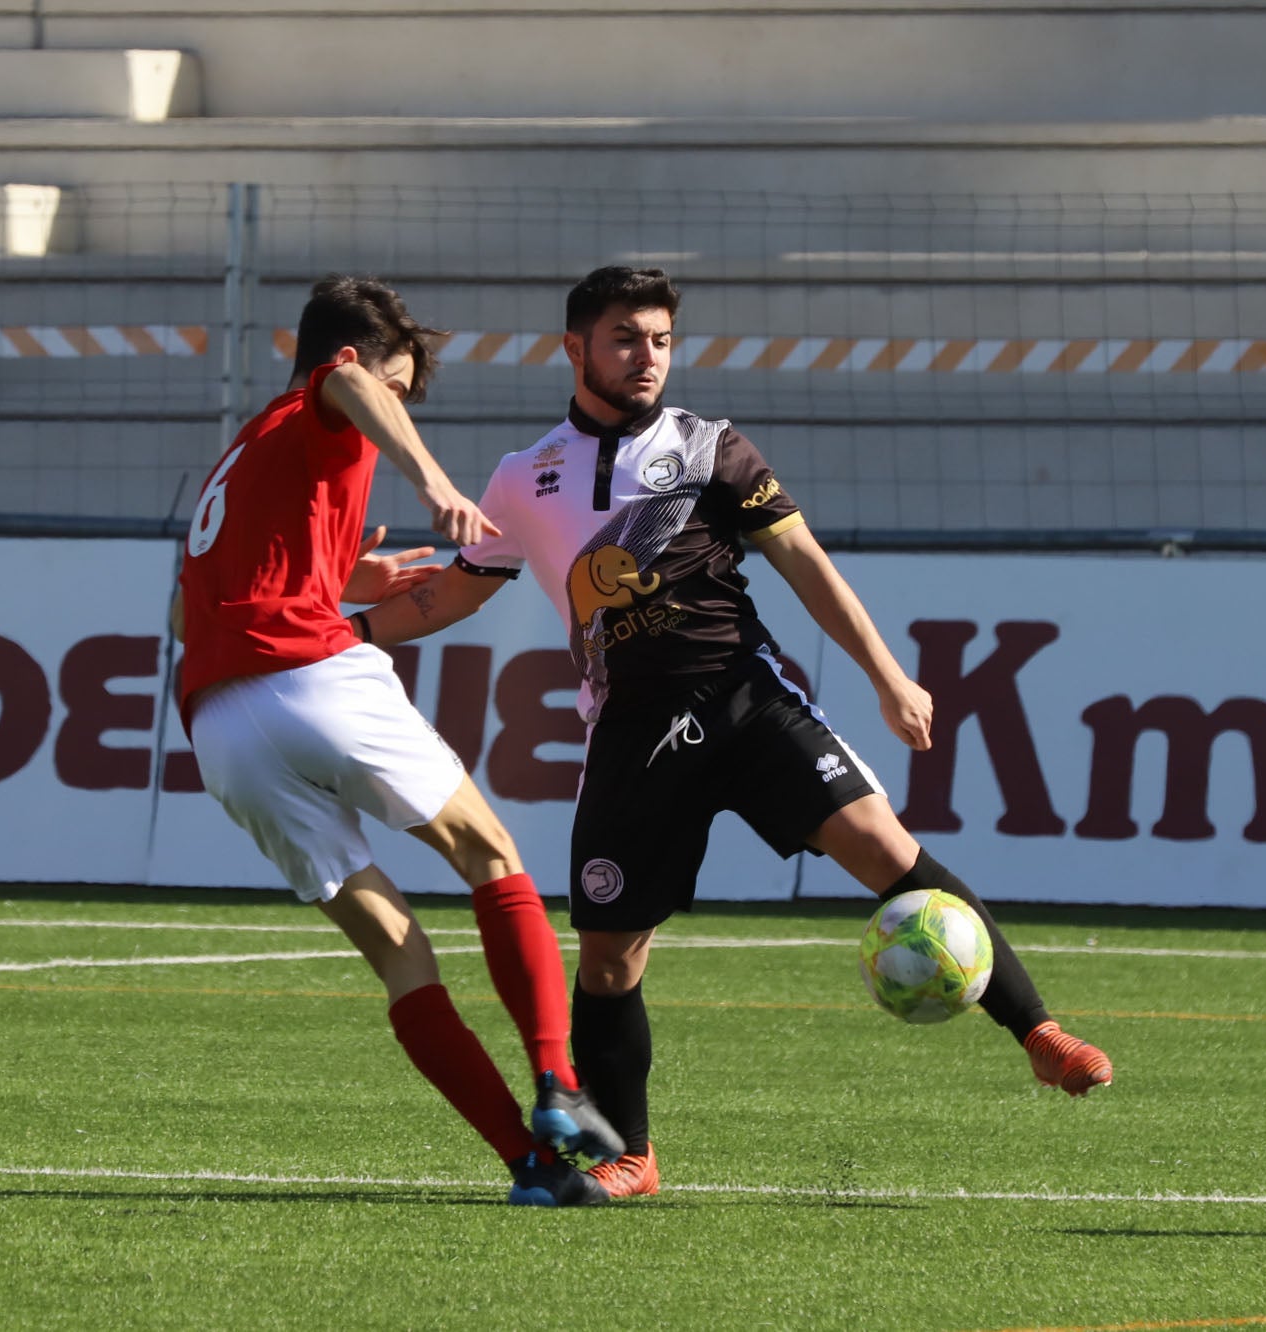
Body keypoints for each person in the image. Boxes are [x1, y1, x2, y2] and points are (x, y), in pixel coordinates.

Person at [361, 266, 1113, 1200]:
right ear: (575, 348)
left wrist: (887, 675)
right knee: (606, 959)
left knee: (885, 846)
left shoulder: (711, 447)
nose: (648, 358)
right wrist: (335, 635)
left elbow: (804, 562)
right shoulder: (523, 478)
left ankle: (1038, 1032)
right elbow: (442, 597)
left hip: (743, 701)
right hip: (630, 734)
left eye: (662, 341)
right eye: (628, 338)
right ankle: (632, 1155)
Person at [173, 275, 623, 1207]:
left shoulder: (243, 451)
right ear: (362, 358)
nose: (400, 402)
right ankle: (557, 1084)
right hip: (313, 682)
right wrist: (436, 482)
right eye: (402, 382)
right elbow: (351, 382)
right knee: (490, 853)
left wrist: (336, 571)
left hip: (222, 728)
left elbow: (190, 612)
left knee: (400, 956)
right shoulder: (330, 392)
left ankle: (530, 1167)